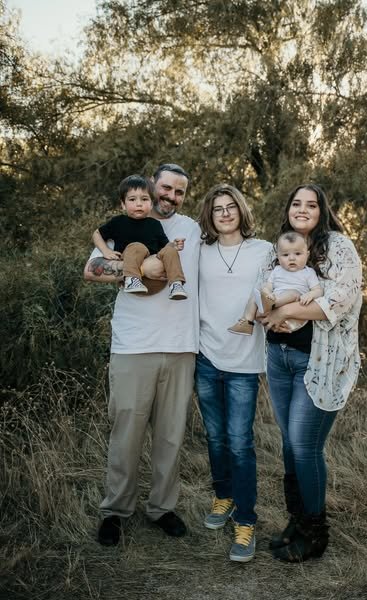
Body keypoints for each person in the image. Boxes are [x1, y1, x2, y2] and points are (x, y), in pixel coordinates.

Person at [84, 163, 200, 546]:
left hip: (181, 346)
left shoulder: (192, 230)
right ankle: (115, 511)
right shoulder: (125, 224)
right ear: (151, 187)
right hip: (134, 346)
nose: (170, 196)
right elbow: (91, 269)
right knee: (127, 433)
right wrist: (137, 267)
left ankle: (162, 508)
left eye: (178, 192)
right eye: (165, 188)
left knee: (170, 436)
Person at [260, 183, 362, 563]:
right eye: (296, 203)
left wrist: (285, 312)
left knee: (305, 446)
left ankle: (316, 534)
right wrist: (269, 312)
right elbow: (264, 291)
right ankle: (297, 521)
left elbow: (340, 298)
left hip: (319, 361)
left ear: (322, 210)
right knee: (289, 445)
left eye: (311, 204)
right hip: (279, 357)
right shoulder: (279, 246)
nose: (302, 209)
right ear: (288, 208)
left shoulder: (337, 246)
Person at [195, 184, 273, 562]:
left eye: (231, 207)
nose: (224, 213)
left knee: (240, 443)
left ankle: (246, 522)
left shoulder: (264, 251)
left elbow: (275, 292)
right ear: (209, 216)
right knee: (215, 438)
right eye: (217, 209)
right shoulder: (200, 251)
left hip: (243, 362)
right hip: (206, 357)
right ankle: (223, 497)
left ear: (241, 210)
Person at [93, 174, 188, 298]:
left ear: (151, 204)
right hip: (135, 277)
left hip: (157, 280)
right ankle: (132, 280)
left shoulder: (154, 224)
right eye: (132, 199)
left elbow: (164, 246)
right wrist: (105, 251)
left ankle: (176, 284)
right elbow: (97, 234)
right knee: (137, 247)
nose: (139, 204)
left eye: (144, 199)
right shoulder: (118, 222)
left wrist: (173, 245)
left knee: (170, 251)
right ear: (123, 204)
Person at [227, 230, 322, 335]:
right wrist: (267, 292)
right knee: (257, 291)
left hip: (294, 315)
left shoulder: (308, 272)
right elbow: (269, 286)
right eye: (285, 255)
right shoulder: (277, 270)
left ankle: (270, 304)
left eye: (298, 254)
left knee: (293, 293)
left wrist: (310, 294)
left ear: (307, 254)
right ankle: (246, 321)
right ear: (278, 256)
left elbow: (318, 290)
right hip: (273, 310)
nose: (291, 258)